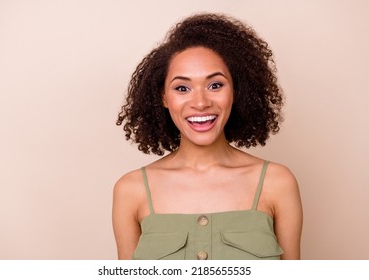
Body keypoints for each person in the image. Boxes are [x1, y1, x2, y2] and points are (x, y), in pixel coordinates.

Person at [113, 13, 303, 260]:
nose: (201, 103)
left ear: (235, 91)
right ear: (163, 97)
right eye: (182, 88)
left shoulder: (277, 183)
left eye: (215, 85)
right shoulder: (131, 190)